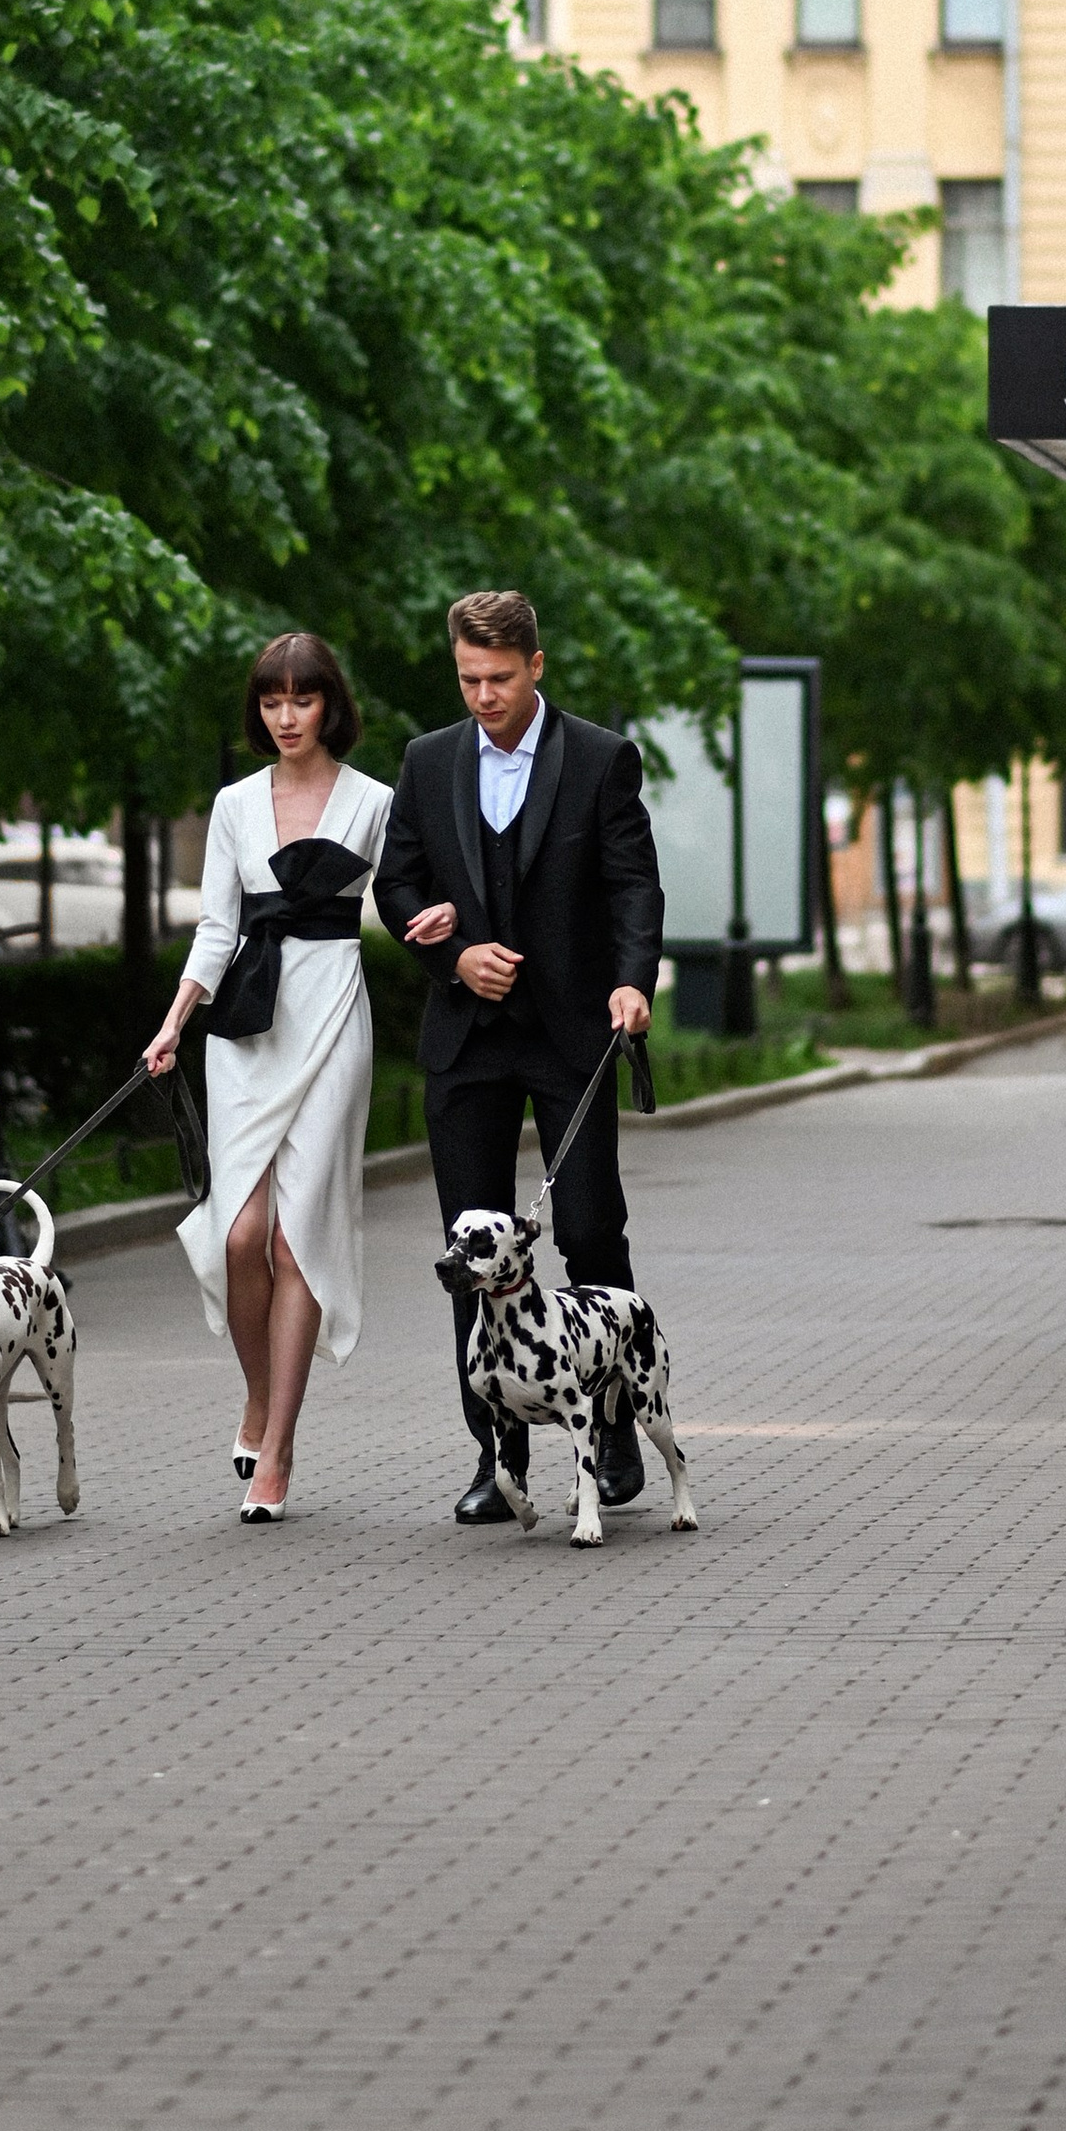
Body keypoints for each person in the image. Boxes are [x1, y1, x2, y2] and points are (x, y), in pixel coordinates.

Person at [142, 630, 451, 1524]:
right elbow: (215, 926)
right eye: (272, 701)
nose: (286, 716)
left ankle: (276, 1448)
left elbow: (406, 893)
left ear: (329, 706)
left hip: (332, 1018)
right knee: (240, 1236)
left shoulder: (375, 800)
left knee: (294, 1239)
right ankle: (257, 1394)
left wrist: (438, 920)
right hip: (246, 1026)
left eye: (302, 699)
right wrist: (174, 1023)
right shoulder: (234, 804)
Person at [373, 587, 665, 1527]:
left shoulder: (601, 758)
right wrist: (452, 955)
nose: (483, 696)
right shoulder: (428, 762)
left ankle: (613, 1433)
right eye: (468, 679)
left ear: (536, 666)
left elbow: (634, 885)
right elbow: (397, 885)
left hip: (571, 1032)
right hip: (466, 1040)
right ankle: (498, 1461)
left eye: (499, 678)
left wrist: (633, 982)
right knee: (471, 1247)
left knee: (589, 1230)